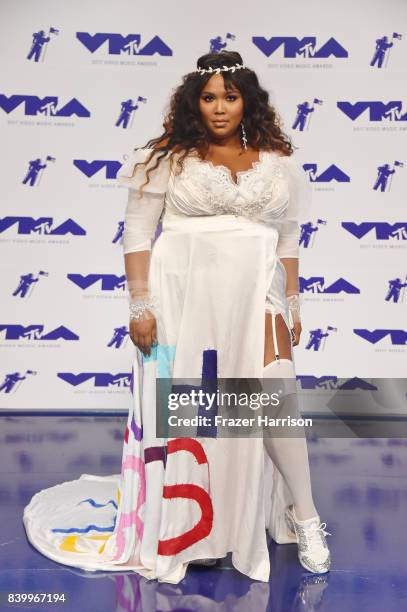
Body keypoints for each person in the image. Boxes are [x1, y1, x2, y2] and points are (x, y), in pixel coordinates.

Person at [23, 50, 332, 584]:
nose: (219, 108)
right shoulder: (167, 157)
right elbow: (138, 233)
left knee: (273, 399)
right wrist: (140, 305)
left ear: (247, 102)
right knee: (199, 410)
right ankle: (196, 527)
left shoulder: (279, 162)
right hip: (185, 297)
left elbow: (288, 238)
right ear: (194, 102)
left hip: (259, 294)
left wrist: (296, 302)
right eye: (209, 97)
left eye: (230, 98)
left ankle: (305, 517)